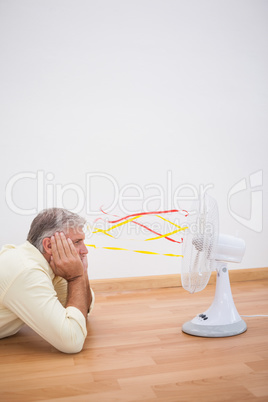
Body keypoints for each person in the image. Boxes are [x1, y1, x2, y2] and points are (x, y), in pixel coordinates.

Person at [0, 208, 94, 353]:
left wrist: (83, 272)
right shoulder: (27, 271)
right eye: (77, 242)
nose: (85, 250)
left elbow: (82, 312)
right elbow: (72, 341)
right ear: (49, 246)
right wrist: (77, 278)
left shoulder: (46, 265)